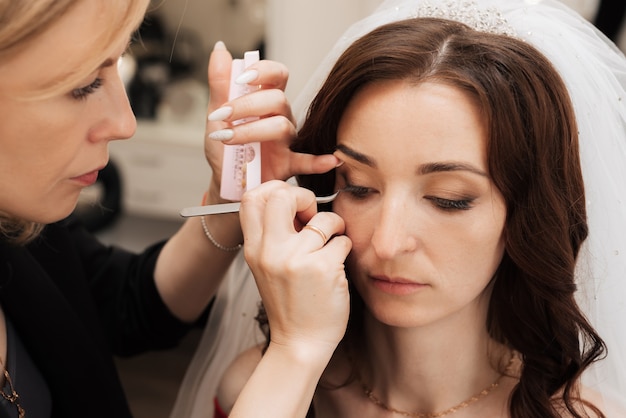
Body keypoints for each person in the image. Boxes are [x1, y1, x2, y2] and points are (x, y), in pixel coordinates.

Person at [177, 0, 626, 417]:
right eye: (358, 188)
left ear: (526, 214)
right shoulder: (261, 388)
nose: (388, 243)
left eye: (449, 199)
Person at [0, 1, 342, 417]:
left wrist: (230, 195)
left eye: (118, 66)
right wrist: (297, 351)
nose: (125, 124)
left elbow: (126, 305)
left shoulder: (22, 227)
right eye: (85, 83)